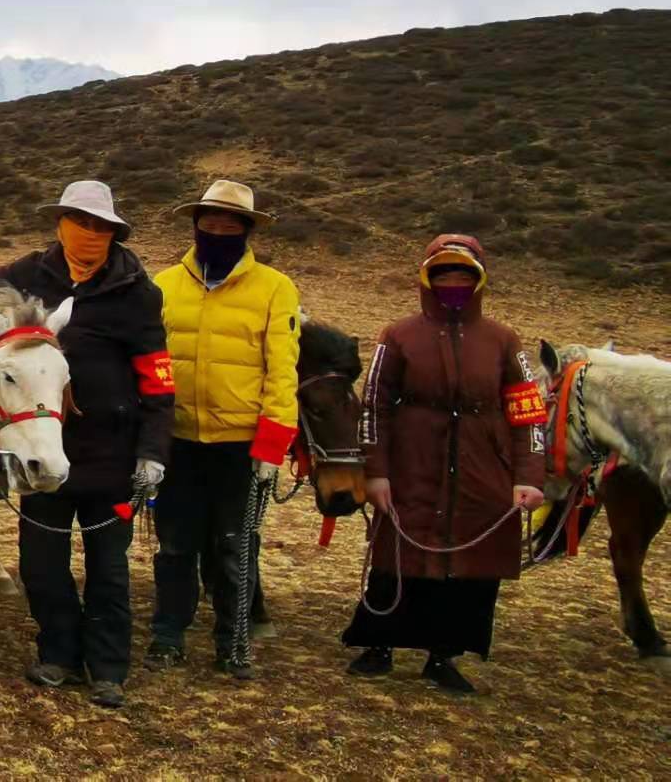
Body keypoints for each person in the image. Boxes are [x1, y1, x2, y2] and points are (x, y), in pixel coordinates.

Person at [0, 181, 173, 709]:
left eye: (101, 227)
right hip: (43, 450)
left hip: (111, 455)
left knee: (109, 570)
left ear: (114, 233)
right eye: (80, 222)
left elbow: (158, 381)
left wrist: (153, 453)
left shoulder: (137, 291)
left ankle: (109, 668)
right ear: (60, 223)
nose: (90, 234)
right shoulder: (29, 274)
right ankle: (58, 654)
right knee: (41, 566)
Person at [342, 235, 545, 694]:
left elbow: (528, 412)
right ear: (426, 279)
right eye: (444, 274)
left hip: (482, 470)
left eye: (463, 275)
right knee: (397, 556)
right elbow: (373, 405)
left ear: (479, 281)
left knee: (470, 566)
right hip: (413, 463)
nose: (453, 282)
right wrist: (376, 471)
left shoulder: (503, 340)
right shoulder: (397, 335)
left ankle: (444, 655)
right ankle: (379, 646)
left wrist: (528, 477)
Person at [147, 179, 300, 679]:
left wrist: (272, 444)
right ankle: (168, 633)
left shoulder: (276, 289)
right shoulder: (163, 285)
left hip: (240, 445)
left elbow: (282, 371)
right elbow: (147, 362)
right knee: (174, 544)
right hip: (178, 440)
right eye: (209, 222)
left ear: (248, 230)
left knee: (236, 545)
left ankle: (231, 640)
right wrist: (148, 436)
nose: (218, 230)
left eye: (230, 224)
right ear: (195, 225)